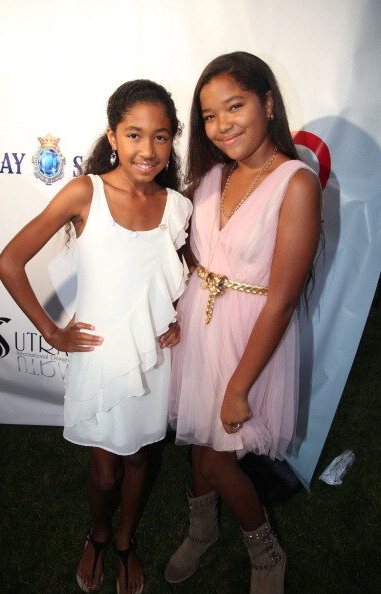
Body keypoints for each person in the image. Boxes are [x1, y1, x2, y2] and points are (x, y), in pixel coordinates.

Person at [0, 79, 192, 594]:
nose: (147, 149)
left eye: (160, 136)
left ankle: (125, 539)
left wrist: (174, 317)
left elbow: (169, 274)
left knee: (141, 457)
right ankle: (99, 532)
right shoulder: (86, 192)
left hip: (152, 359)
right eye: (134, 134)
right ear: (112, 136)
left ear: (172, 139)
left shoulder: (178, 205)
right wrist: (52, 331)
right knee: (105, 472)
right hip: (100, 358)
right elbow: (9, 261)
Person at [165, 52, 321, 594]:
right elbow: (193, 257)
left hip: (248, 342)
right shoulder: (213, 174)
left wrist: (239, 387)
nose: (221, 125)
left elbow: (282, 301)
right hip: (199, 331)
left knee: (217, 462)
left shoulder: (295, 183)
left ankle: (265, 550)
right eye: (209, 115)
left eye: (235, 106)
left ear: (268, 103)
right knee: (197, 441)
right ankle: (202, 529)